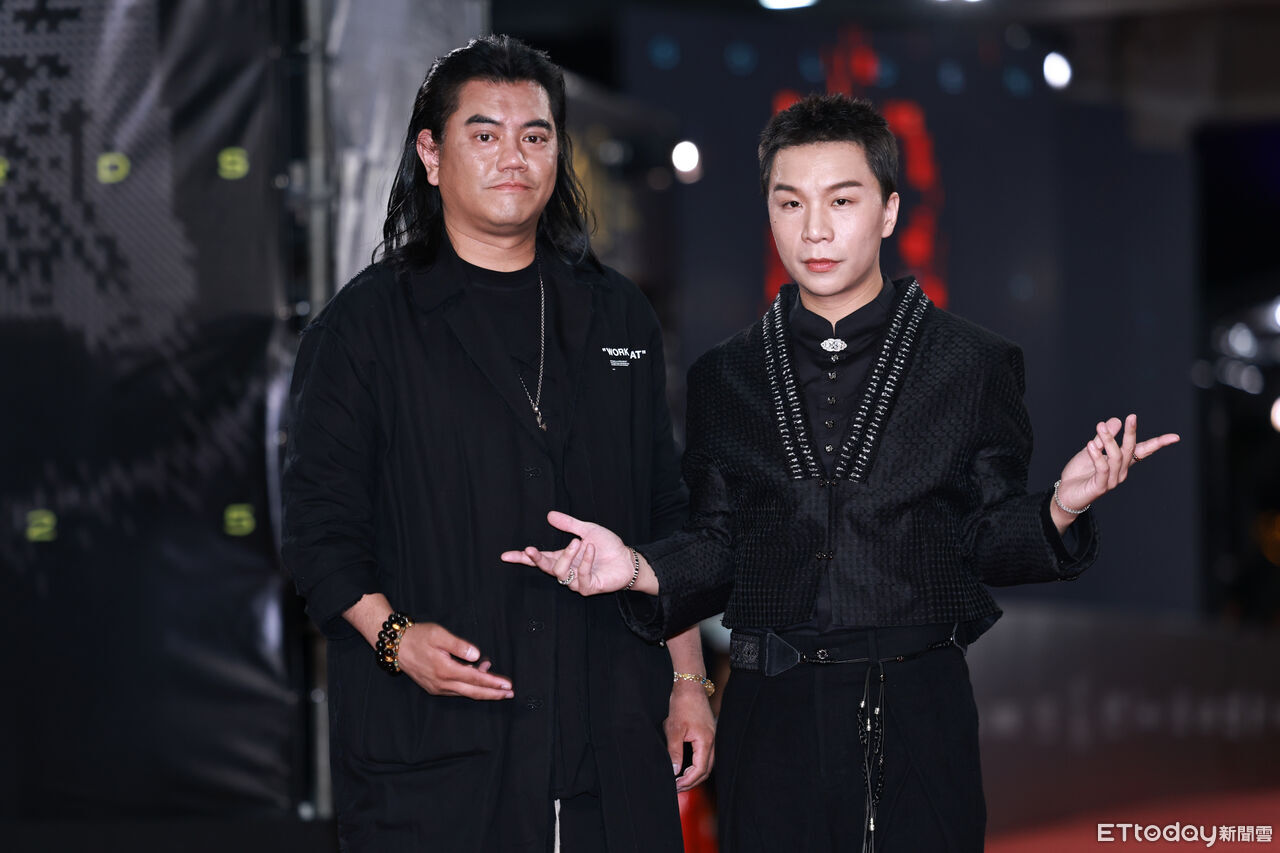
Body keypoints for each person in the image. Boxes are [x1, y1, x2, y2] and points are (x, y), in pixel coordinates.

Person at [504, 93, 1180, 853]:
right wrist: (632, 567)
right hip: (770, 716)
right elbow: (717, 546)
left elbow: (987, 540)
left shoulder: (972, 363)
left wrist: (1060, 505)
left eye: (842, 200)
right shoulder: (726, 376)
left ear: (889, 211)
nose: (815, 230)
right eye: (790, 203)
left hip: (917, 709)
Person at [280, 34, 714, 853]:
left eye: (534, 135)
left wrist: (688, 682)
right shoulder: (365, 326)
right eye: (484, 134)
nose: (513, 156)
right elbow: (316, 529)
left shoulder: (617, 313)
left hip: (609, 742)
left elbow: (666, 514)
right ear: (431, 153)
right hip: (438, 753)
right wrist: (395, 638)